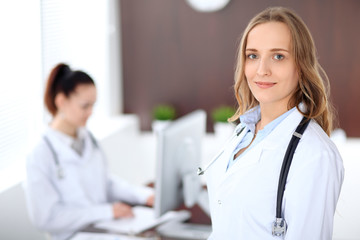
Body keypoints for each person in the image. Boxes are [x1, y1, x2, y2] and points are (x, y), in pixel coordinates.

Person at [205, 7, 344, 239]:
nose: (261, 70)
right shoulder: (245, 130)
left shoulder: (315, 155)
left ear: (301, 65)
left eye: (278, 56)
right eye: (253, 56)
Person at [24, 63, 154, 240]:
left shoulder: (86, 138)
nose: (91, 112)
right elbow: (46, 218)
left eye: (93, 105)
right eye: (85, 106)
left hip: (103, 228)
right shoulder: (39, 152)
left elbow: (104, 182)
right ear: (61, 102)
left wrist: (143, 195)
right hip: (74, 235)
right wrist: (106, 211)